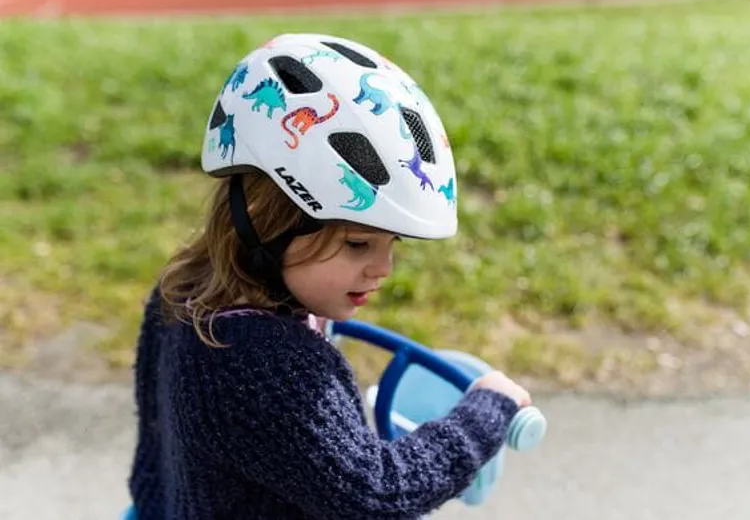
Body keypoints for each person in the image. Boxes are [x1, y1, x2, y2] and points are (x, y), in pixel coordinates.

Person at [128, 33, 532, 520]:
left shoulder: (184, 290)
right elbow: (379, 494)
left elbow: (156, 438)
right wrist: (483, 415)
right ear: (265, 219)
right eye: (358, 243)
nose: (383, 269)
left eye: (391, 245)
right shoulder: (266, 366)